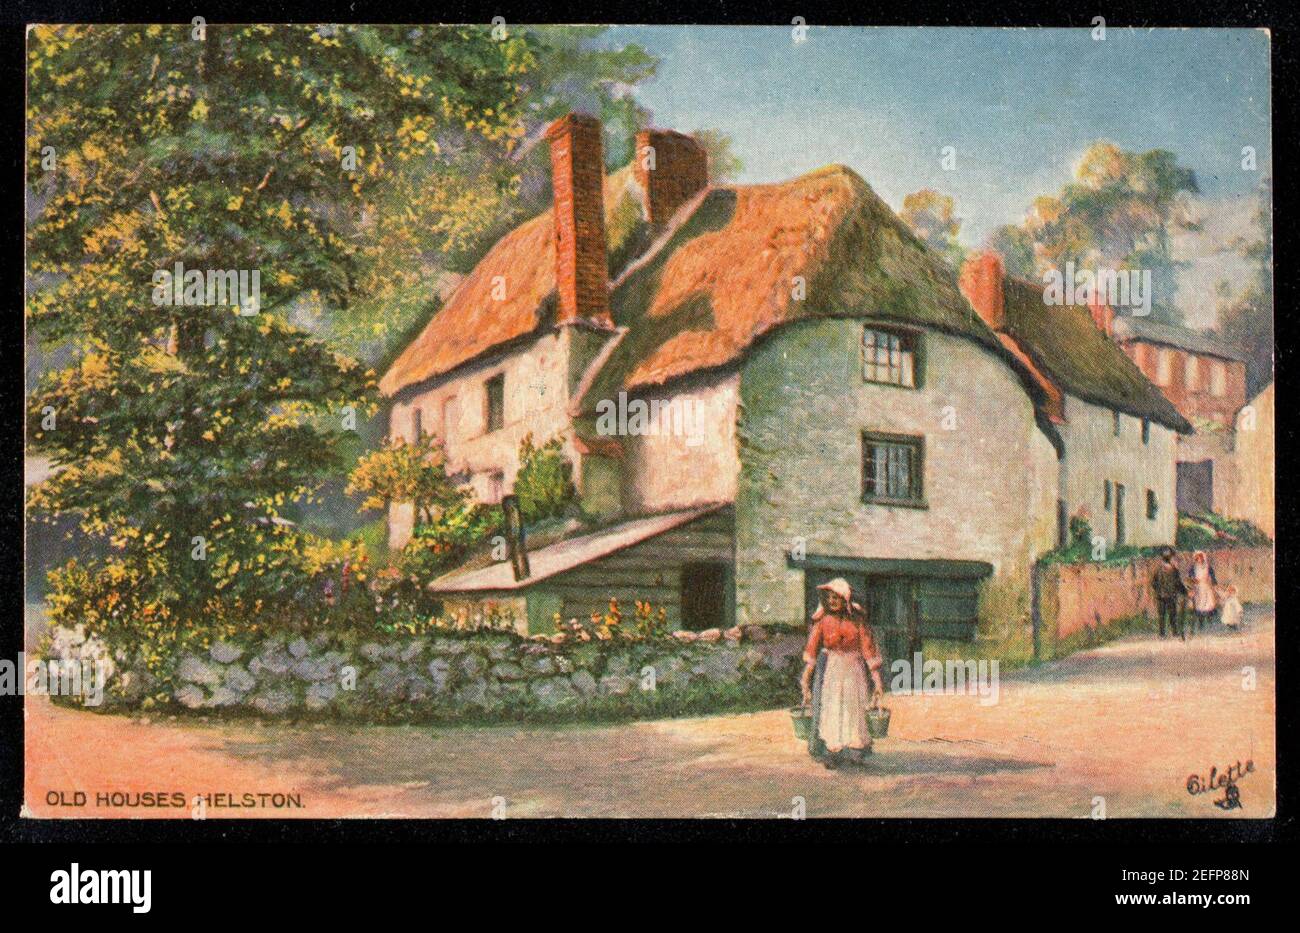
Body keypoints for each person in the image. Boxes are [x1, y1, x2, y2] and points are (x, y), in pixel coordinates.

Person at [799, 578, 885, 769]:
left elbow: (868, 649)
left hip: (853, 669)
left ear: (845, 598)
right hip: (833, 668)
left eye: (836, 597)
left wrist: (877, 681)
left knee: (853, 707)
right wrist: (805, 678)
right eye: (829, 597)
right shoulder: (823, 620)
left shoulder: (857, 620)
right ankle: (833, 750)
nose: (832, 601)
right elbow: (812, 648)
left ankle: (855, 750)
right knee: (833, 707)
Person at [1150, 547, 1187, 639]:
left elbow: (1178, 583)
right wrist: (1184, 592)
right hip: (1165, 595)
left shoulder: (1171, 570)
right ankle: (1166, 633)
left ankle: (1168, 633)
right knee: (1166, 615)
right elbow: (1154, 583)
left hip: (1166, 595)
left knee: (1169, 615)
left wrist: (1184, 591)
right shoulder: (1162, 570)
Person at [1188, 550, 1218, 633]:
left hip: (1206, 587)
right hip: (1197, 588)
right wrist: (1192, 583)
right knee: (1199, 605)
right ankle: (1201, 623)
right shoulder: (1193, 568)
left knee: (1208, 604)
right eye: (1197, 558)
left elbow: (1213, 577)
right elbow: (1189, 578)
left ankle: (1210, 623)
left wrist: (1214, 585)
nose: (1199, 560)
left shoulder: (1208, 567)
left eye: (1200, 558)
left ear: (1203, 558)